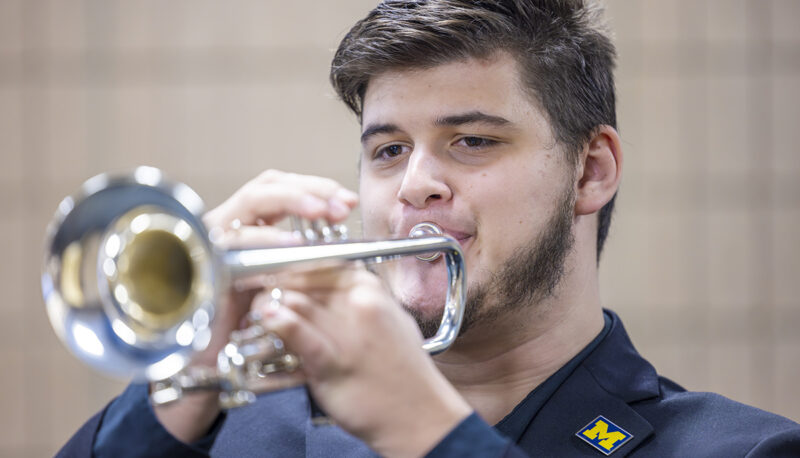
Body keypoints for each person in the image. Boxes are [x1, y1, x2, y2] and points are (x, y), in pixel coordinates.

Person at [59, 1, 800, 457]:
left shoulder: (743, 448)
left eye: (472, 140)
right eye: (388, 151)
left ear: (590, 171)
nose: (414, 184)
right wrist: (179, 391)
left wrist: (428, 433)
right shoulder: (236, 437)